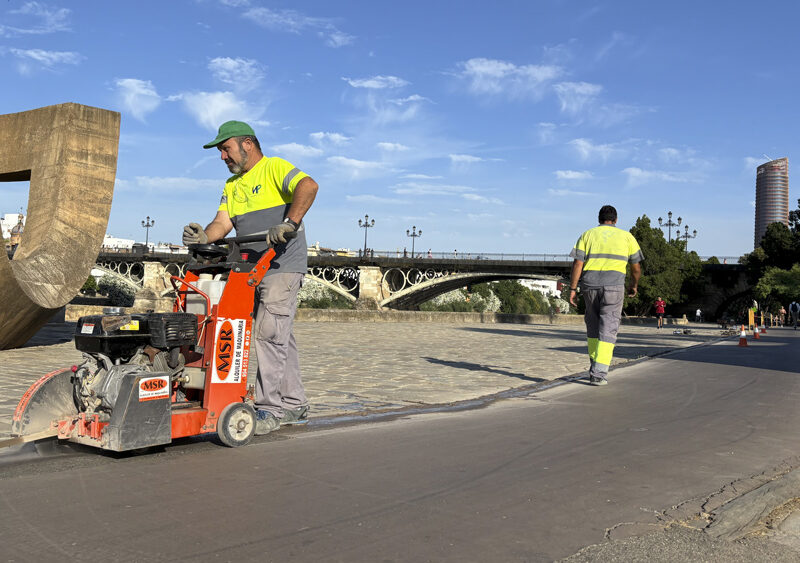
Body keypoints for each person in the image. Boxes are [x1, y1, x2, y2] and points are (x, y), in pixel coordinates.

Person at [182, 120, 318, 435]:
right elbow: (222, 223)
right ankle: (294, 403)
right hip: (248, 269)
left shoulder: (274, 168)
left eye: (225, 149)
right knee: (279, 334)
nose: (222, 157)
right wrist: (203, 236)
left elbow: (308, 186)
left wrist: (289, 222)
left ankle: (270, 409)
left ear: (247, 144)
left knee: (269, 333)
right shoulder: (232, 186)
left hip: (281, 264)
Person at [568, 205, 642, 386]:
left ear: (599, 219)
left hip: (589, 286)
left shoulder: (587, 235)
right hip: (614, 287)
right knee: (608, 327)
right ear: (616, 220)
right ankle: (599, 373)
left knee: (593, 326)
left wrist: (572, 289)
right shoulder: (627, 237)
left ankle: (595, 364)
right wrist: (633, 285)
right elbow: (636, 268)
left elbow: (578, 264)